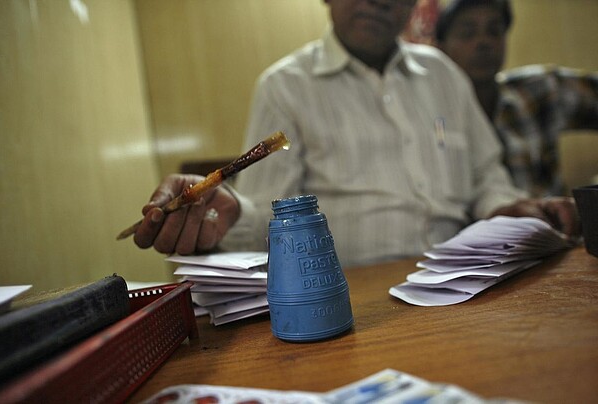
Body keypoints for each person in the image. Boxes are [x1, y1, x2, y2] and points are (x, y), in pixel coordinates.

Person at [134, 0, 580, 268]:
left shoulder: (444, 74)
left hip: (465, 280)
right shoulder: (285, 86)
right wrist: (229, 211)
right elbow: (274, 221)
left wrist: (506, 205)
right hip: (355, 294)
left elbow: (486, 175)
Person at [435, 0, 598, 197]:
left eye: (494, 31)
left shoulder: (538, 92)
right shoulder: (433, 117)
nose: (483, 42)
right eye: (468, 34)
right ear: (440, 49)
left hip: (550, 225)